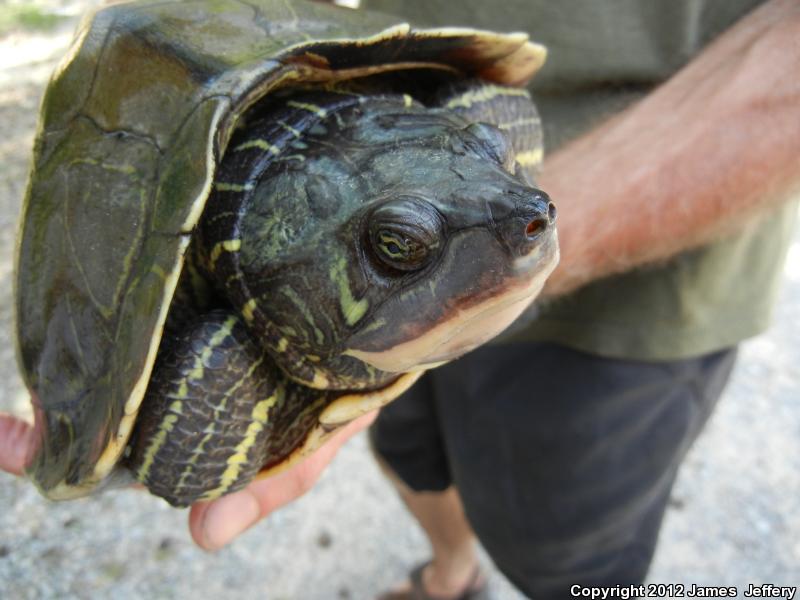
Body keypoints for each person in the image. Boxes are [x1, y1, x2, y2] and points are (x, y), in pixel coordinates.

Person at [0, 0, 797, 598]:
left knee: (569, 547)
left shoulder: (506, 193)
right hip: (392, 244)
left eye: (502, 164)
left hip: (635, 299)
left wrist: (472, 201)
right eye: (399, 247)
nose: (530, 207)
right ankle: (452, 573)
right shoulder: (237, 345)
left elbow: (502, 142)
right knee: (413, 453)